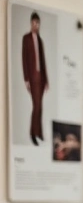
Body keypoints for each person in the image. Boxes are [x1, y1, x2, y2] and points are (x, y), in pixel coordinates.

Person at [21, 12, 48, 146]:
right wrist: (26, 79)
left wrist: (47, 81)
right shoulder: (26, 39)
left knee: (40, 106)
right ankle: (33, 133)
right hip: (32, 77)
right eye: (34, 23)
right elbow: (24, 59)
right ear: (31, 23)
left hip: (41, 78)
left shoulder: (40, 40)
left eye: (37, 23)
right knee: (36, 106)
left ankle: (39, 133)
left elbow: (43, 62)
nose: (36, 25)